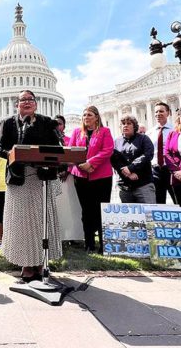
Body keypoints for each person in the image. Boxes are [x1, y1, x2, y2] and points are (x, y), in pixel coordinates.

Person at [0, 90, 62, 282]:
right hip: (19, 178)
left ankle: (42, 262)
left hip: (41, 177)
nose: (27, 102)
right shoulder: (8, 123)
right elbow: (1, 148)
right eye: (23, 100)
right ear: (17, 104)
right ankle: (26, 263)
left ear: (36, 103)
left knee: (42, 221)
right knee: (23, 222)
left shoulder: (46, 122)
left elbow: (57, 147)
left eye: (30, 100)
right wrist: (14, 153)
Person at [68, 105, 114, 253]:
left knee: (100, 210)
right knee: (86, 211)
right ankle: (89, 244)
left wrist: (91, 163)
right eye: (84, 115)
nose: (86, 117)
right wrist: (82, 165)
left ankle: (103, 244)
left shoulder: (105, 131)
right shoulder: (76, 132)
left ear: (96, 117)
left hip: (101, 176)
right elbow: (71, 152)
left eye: (89, 115)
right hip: (81, 176)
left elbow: (108, 150)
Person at [111, 114, 155, 204]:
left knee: (149, 216)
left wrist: (131, 168)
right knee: (129, 217)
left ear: (134, 126)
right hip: (124, 187)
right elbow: (115, 160)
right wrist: (128, 174)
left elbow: (148, 155)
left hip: (143, 184)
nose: (125, 125)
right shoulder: (116, 142)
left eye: (128, 123)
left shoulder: (144, 138)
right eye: (123, 123)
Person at [146, 102, 176, 204]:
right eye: (156, 112)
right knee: (158, 203)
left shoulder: (175, 130)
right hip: (155, 171)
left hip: (171, 170)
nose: (158, 114)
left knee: (178, 200)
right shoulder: (149, 133)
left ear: (168, 113)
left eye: (161, 111)